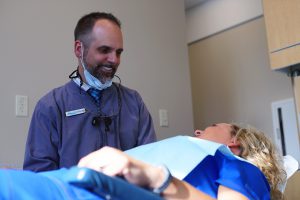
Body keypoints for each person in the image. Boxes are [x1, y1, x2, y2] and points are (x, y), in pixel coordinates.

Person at [23, 12, 156, 172]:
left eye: (118, 52)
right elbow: (40, 179)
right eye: (104, 50)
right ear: (79, 49)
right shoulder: (51, 107)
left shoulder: (134, 102)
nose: (114, 60)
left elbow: (150, 165)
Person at [78, 123, 287, 200]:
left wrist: (157, 178)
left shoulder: (242, 168)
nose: (197, 131)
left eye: (212, 125)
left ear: (235, 142)